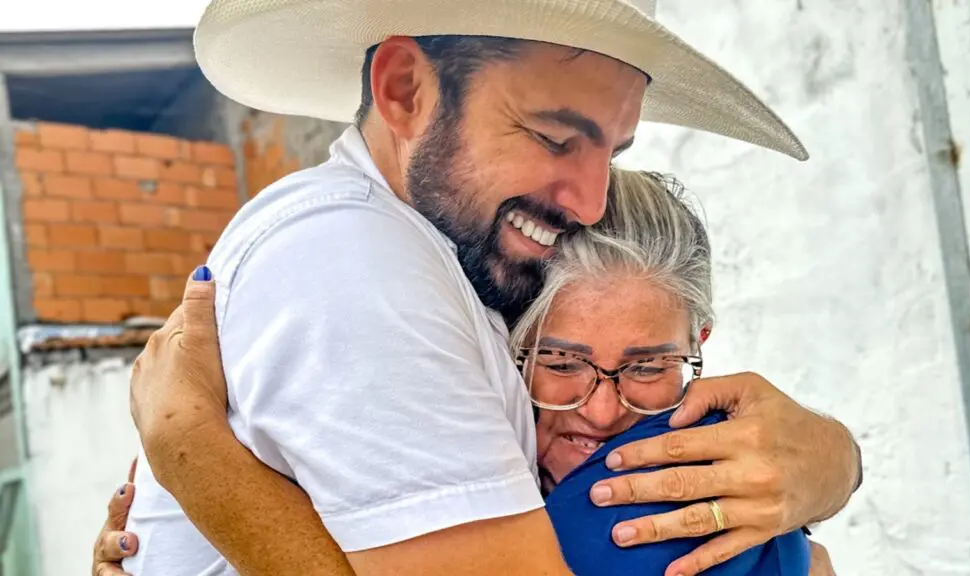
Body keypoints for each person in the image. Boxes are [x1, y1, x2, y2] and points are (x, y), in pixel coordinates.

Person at [92, 0, 862, 574]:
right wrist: (190, 453)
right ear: (404, 90)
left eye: (611, 149)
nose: (589, 201)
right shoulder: (359, 264)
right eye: (555, 137)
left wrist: (830, 462)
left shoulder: (460, 263)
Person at [98, 169, 832, 575]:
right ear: (491, 343)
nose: (602, 412)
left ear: (698, 343)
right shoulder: (423, 444)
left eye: (647, 366)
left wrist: (191, 452)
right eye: (560, 361)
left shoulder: (652, 495)